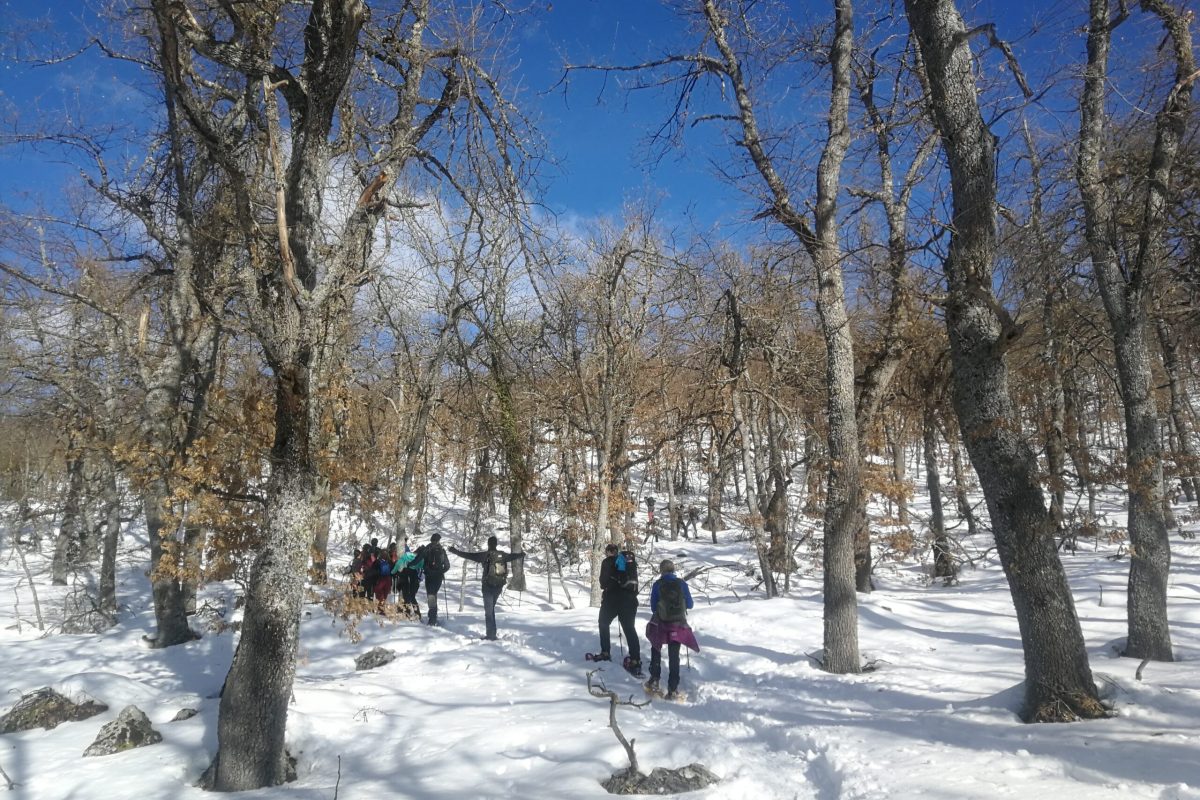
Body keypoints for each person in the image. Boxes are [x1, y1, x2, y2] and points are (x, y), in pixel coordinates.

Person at [449, 535, 525, 640]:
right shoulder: (503, 555)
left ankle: (491, 635)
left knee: (488, 612)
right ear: (496, 544)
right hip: (499, 586)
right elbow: (513, 556)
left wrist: (455, 551)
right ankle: (492, 633)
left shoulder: (485, 555)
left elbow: (468, 555)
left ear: (489, 544)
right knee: (491, 609)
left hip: (487, 587)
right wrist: (521, 554)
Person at [644, 559, 699, 701]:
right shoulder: (681, 584)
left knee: (656, 648)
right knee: (674, 655)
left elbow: (653, 608)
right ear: (673, 570)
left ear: (661, 571)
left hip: (661, 624)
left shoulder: (657, 585)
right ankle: (673, 689)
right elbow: (691, 604)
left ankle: (654, 680)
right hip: (678, 624)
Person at [596, 542, 642, 675]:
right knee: (629, 628)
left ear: (608, 552)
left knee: (603, 623)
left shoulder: (607, 562)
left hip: (612, 599)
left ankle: (605, 652)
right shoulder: (629, 563)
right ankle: (635, 659)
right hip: (629, 600)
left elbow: (603, 583)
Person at [417, 533, 451, 626]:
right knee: (433, 595)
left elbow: (418, 559)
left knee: (431, 595)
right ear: (438, 540)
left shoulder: (427, 549)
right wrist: (441, 571)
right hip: (438, 577)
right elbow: (447, 566)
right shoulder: (441, 550)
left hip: (429, 576)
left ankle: (432, 618)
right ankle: (433, 615)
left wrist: (409, 565)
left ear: (431, 539)